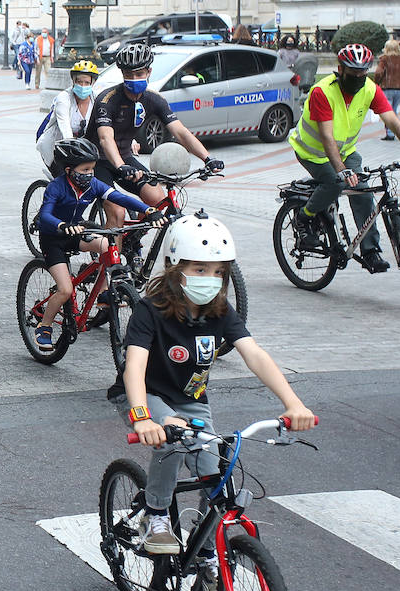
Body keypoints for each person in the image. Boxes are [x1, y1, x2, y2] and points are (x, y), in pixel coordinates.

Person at [123, 214, 316, 569]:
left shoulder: (220, 311)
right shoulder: (149, 310)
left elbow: (254, 354)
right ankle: (155, 514)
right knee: (172, 436)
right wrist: (141, 418)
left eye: (217, 271)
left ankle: (206, 551)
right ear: (173, 266)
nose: (209, 279)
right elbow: (133, 366)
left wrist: (293, 403)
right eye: (198, 269)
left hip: (191, 401)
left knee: (215, 471)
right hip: (145, 396)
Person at [288, 42, 400, 272]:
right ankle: (305, 216)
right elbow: (327, 137)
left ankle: (370, 251)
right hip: (312, 152)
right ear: (340, 69)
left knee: (362, 190)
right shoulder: (323, 91)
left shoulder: (369, 89)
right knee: (335, 181)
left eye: (363, 72)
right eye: (353, 73)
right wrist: (342, 171)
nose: (359, 77)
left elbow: (392, 120)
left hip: (344, 151)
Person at [34, 138, 164, 351]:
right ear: (69, 170)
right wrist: (62, 225)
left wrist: (149, 210)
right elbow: (45, 215)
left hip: (76, 232)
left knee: (106, 246)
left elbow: (119, 197)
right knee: (65, 290)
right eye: (85, 169)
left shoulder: (92, 184)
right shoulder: (56, 187)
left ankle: (104, 290)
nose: (90, 174)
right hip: (53, 238)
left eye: (93, 168)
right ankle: (45, 326)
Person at [90, 43, 221, 222]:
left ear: (149, 72)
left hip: (125, 158)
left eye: (139, 74)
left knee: (160, 202)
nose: (134, 79)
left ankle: (133, 239)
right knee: (117, 212)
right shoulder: (107, 99)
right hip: (96, 161)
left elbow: (181, 132)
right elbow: (106, 138)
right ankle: (110, 249)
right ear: (122, 74)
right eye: (128, 74)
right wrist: (120, 166)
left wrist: (208, 158)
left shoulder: (154, 99)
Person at [37, 61, 100, 172]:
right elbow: (65, 128)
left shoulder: (96, 99)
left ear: (92, 83)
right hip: (55, 147)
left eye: (87, 82)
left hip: (80, 149)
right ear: (73, 81)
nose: (83, 86)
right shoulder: (64, 98)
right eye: (79, 82)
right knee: (64, 181)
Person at [374, 39, 400, 141]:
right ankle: (394, 131)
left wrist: (376, 83)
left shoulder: (384, 59)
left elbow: (378, 73)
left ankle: (391, 133)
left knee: (388, 112)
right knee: (394, 110)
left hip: (387, 88)